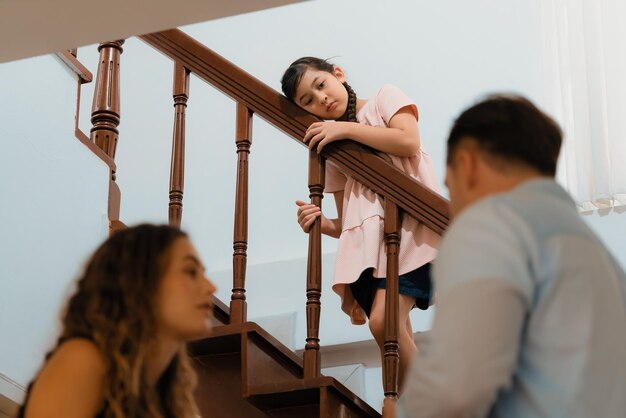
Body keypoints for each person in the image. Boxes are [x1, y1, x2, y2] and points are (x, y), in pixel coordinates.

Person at [398, 95, 626, 418]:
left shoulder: (490, 224)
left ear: (467, 165)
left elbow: (454, 392)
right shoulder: (598, 257)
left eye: (451, 188)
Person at [281, 57, 441, 392]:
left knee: (385, 324)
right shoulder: (333, 150)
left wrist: (345, 128)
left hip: (414, 235)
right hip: (372, 252)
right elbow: (351, 221)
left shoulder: (384, 97)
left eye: (321, 85)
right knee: (397, 333)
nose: (321, 99)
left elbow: (408, 140)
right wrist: (323, 223)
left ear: (337, 75)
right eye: (308, 101)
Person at [18, 224, 217, 418]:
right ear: (141, 281)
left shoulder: (169, 397)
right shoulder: (83, 359)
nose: (211, 287)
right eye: (191, 272)